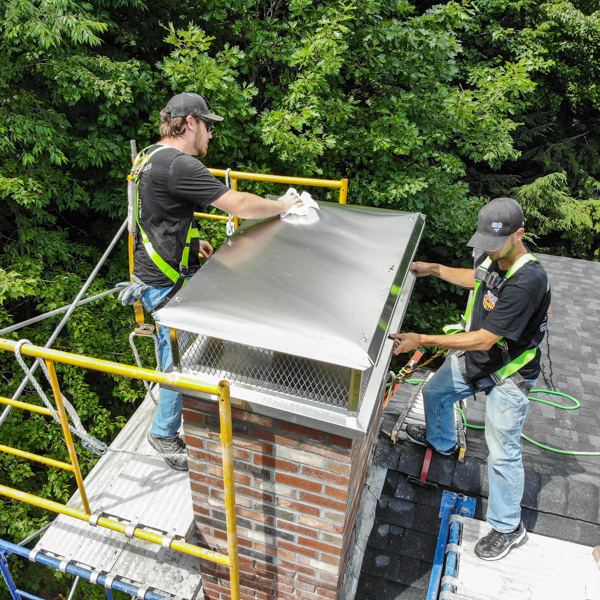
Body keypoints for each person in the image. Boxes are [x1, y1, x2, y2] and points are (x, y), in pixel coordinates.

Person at [119, 92, 303, 471]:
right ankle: (165, 433)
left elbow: (155, 215)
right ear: (190, 123)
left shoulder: (148, 158)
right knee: (177, 363)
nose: (210, 136)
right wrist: (285, 206)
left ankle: (172, 415)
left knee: (175, 351)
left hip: (152, 271)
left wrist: (190, 242)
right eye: (207, 126)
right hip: (164, 284)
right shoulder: (179, 164)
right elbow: (240, 205)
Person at [390, 197, 550, 561]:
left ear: (519, 234)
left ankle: (509, 527)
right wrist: (436, 268)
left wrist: (423, 339)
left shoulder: (528, 279)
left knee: (502, 450)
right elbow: (477, 278)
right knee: (435, 394)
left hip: (511, 372)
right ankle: (442, 443)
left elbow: (485, 338)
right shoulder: (491, 253)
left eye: (496, 245)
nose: (489, 253)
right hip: (480, 357)